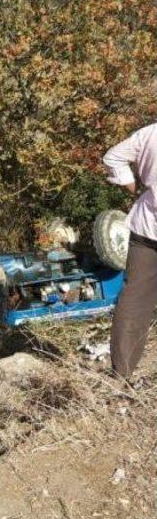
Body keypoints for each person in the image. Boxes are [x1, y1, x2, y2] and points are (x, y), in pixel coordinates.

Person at [103, 122, 157, 378]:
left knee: (135, 298)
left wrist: (134, 187)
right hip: (147, 228)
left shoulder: (151, 133)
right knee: (134, 299)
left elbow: (113, 157)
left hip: (148, 226)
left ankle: (121, 374)